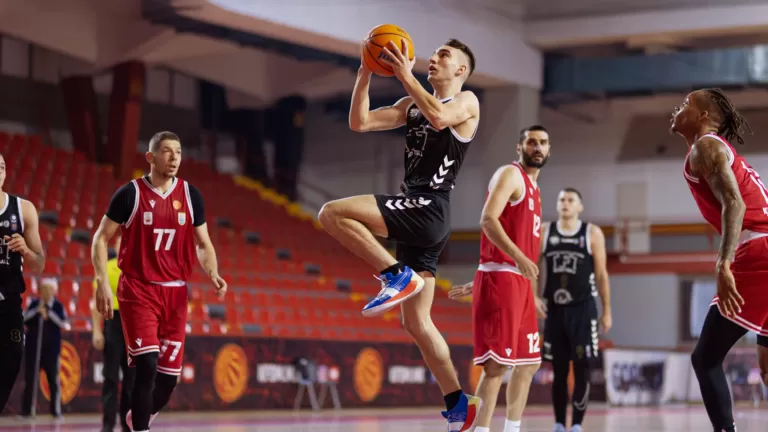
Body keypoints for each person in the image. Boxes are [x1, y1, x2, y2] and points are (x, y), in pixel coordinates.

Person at [318, 39, 481, 430]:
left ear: (460, 70)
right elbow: (360, 122)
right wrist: (364, 73)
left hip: (429, 206)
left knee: (331, 212)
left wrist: (405, 75)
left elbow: (439, 118)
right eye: (435, 53)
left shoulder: (467, 101)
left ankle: (394, 274)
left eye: (444, 55)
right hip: (419, 216)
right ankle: (459, 403)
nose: (434, 58)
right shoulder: (411, 105)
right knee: (416, 324)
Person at [91, 131, 227, 432]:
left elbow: (203, 243)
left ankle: (138, 417)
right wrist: (101, 281)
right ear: (150, 157)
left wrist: (213, 272)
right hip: (138, 289)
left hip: (175, 294)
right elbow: (100, 238)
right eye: (167, 151)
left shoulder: (191, 196)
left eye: (178, 151)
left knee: (167, 381)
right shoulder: (130, 194)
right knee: (147, 365)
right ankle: (140, 428)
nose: (174, 157)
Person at [671, 87, 768, 432]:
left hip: (758, 251)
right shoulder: (718, 150)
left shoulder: (706, 146)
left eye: (686, 104)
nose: (678, 108)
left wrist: (723, 263)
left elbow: (735, 204)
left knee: (706, 357)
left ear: (702, 116)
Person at [448, 125, 551, 432]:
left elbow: (520, 243)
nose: (537, 147)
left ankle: (512, 429)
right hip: (503, 277)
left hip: (517, 283)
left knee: (529, 363)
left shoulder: (535, 188)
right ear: (519, 147)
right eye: (531, 142)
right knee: (496, 367)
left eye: (543, 143)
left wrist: (529, 291)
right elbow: (487, 220)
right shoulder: (510, 175)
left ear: (549, 150)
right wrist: (515, 260)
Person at [539, 188, 611, 432]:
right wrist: (534, 297)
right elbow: (532, 267)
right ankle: (559, 423)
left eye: (571, 200)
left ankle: (577, 424)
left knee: (582, 368)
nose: (565, 203)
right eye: (562, 199)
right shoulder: (545, 231)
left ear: (580, 207)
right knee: (558, 370)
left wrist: (607, 310)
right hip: (555, 310)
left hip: (583, 310)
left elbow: (602, 275)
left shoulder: (591, 233)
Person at [0, 153, 46, 414]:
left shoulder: (23, 209)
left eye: (2, 167)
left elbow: (39, 264)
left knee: (14, 356)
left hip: (9, 304)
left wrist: (26, 251)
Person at [92, 234, 134, 432]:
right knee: (110, 377)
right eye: (120, 243)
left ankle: (128, 424)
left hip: (133, 325)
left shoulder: (138, 269)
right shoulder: (107, 267)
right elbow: (97, 300)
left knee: (131, 379)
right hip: (112, 320)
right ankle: (107, 425)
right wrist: (96, 330)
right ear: (116, 247)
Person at [20, 278, 69, 418]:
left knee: (53, 380)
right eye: (43, 289)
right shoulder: (34, 304)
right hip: (34, 350)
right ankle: (27, 411)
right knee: (30, 380)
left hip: (51, 351)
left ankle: (55, 411)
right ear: (40, 291)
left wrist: (49, 315)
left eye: (49, 289)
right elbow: (24, 319)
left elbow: (63, 323)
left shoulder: (58, 306)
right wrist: (37, 311)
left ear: (54, 291)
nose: (46, 292)